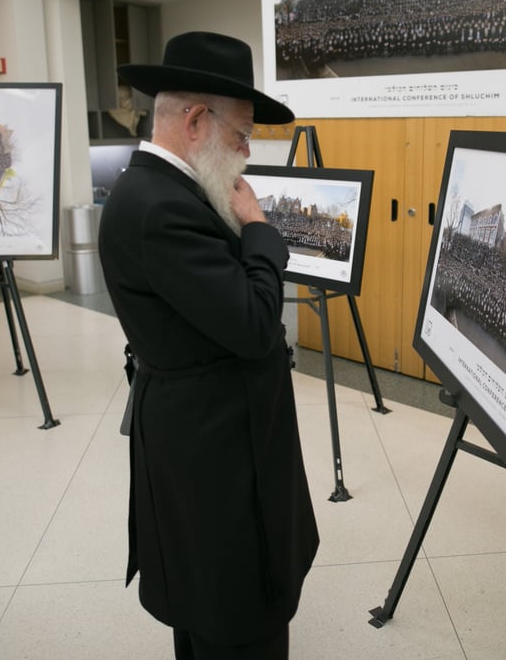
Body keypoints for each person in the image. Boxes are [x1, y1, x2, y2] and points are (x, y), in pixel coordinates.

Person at [98, 32, 318, 659]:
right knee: (233, 601)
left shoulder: (165, 192)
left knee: (205, 597)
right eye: (242, 135)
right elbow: (252, 324)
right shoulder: (161, 207)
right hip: (215, 450)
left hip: (199, 433)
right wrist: (262, 235)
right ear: (196, 121)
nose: (247, 153)